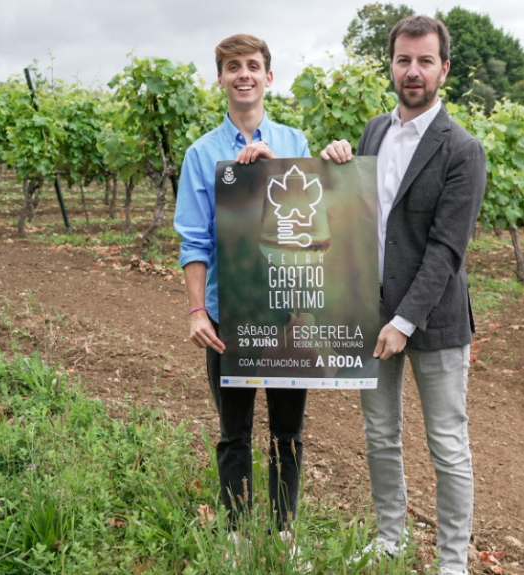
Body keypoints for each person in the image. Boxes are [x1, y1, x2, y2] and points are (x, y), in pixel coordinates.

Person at [321, 14, 486, 575]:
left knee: (447, 444)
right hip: (372, 311)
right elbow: (357, 215)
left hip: (433, 322)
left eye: (424, 61)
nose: (412, 72)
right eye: (402, 60)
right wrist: (335, 166)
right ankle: (390, 541)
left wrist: (405, 320)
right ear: (390, 65)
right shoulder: (374, 131)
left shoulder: (462, 150)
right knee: (380, 434)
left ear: (444, 68)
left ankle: (451, 562)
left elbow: (446, 249)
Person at [174, 34, 312, 532]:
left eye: (253, 65)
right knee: (234, 433)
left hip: (286, 313)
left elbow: (311, 228)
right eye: (233, 67)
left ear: (268, 77)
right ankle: (235, 534)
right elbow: (194, 240)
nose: (244, 74)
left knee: (287, 432)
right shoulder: (200, 154)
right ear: (221, 79)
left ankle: (283, 533)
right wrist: (197, 311)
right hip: (228, 315)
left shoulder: (296, 143)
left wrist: (275, 172)